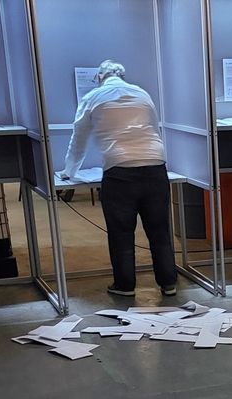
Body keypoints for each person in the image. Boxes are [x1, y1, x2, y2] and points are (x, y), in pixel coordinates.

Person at [61, 60, 176, 297]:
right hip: (155, 166)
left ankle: (125, 286)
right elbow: (154, 129)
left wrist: (69, 172)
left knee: (121, 232)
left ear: (99, 78)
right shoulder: (142, 94)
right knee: (159, 230)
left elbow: (78, 141)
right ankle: (168, 283)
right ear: (123, 76)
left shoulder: (92, 98)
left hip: (119, 170)